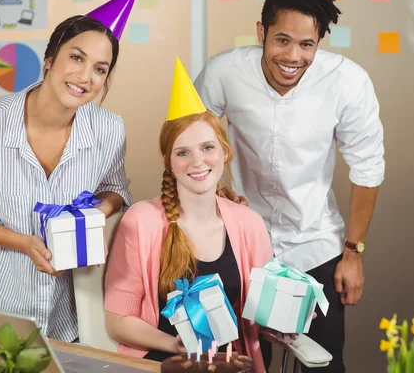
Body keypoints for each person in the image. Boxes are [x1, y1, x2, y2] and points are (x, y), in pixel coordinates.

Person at [193, 0, 385, 371]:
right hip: (240, 240)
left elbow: (367, 166)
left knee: (323, 363)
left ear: (319, 42)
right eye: (282, 40)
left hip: (317, 244)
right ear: (261, 31)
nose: (293, 56)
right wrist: (217, 191)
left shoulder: (348, 83)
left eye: (307, 44)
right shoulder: (224, 71)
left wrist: (353, 253)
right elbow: (190, 141)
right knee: (227, 359)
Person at [0, 0, 139, 343]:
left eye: (100, 68)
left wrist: (97, 213)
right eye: (76, 58)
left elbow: (117, 189)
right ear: (50, 57)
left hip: (64, 314)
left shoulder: (109, 129)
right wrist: (24, 242)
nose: (85, 77)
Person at [103, 58, 295, 372]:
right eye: (183, 152)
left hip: (229, 365)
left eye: (207, 148)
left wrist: (285, 316)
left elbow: (261, 316)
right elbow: (118, 322)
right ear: (169, 162)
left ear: (224, 152)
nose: (198, 162)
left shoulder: (249, 224)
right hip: (164, 364)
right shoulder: (141, 222)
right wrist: (177, 345)